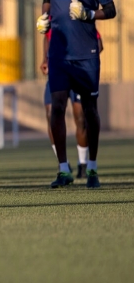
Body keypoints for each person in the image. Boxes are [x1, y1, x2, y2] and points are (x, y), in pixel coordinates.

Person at [37, 0, 115, 189]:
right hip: (59, 55)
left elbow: (111, 9)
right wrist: (43, 18)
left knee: (89, 111)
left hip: (86, 56)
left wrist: (90, 13)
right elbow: (47, 1)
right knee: (57, 108)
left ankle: (92, 168)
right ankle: (63, 169)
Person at [40, 30, 102, 179]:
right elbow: (47, 37)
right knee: (51, 113)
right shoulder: (53, 17)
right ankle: (63, 164)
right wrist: (45, 59)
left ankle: (83, 163)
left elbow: (98, 43)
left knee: (80, 118)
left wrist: (86, 60)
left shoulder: (79, 15)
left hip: (78, 72)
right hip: (58, 71)